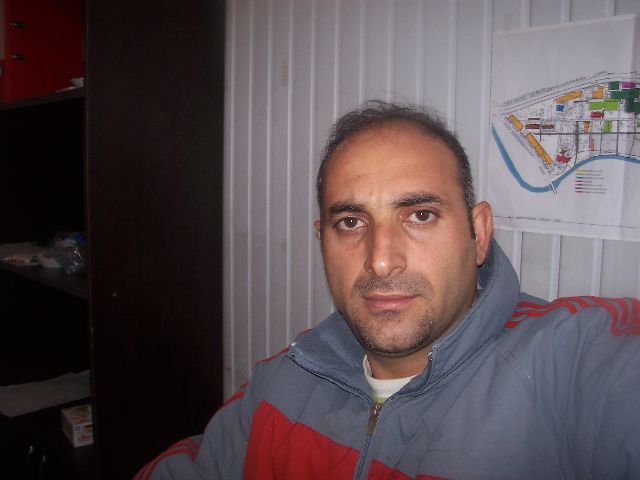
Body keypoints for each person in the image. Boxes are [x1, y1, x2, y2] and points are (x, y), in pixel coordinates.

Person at [135, 101, 640, 480]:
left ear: (479, 233)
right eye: (351, 222)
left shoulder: (572, 362)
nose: (380, 260)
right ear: (322, 241)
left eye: (420, 215)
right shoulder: (280, 386)